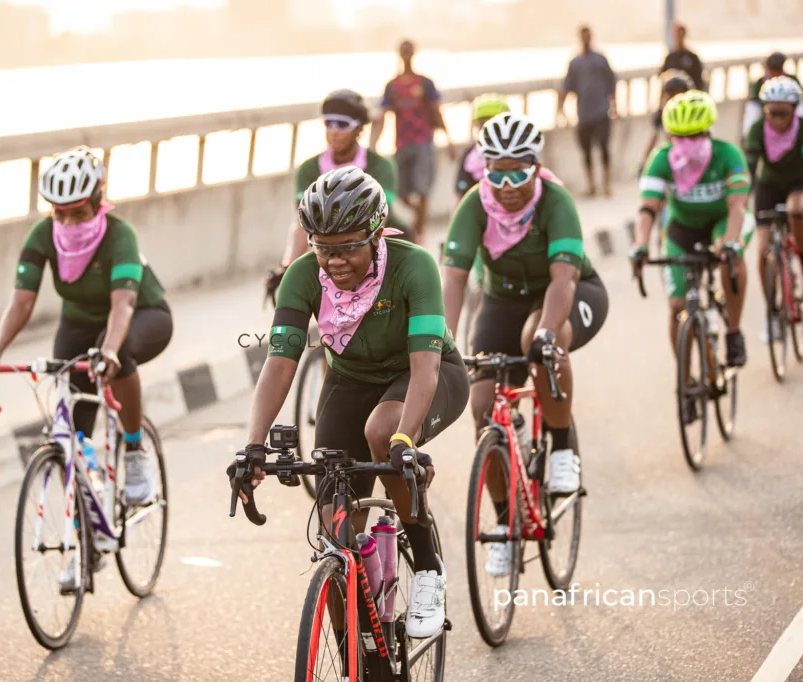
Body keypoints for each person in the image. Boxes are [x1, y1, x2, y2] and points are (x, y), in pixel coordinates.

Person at [232, 166, 468, 637]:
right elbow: (280, 362)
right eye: (323, 248)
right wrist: (253, 446)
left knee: (383, 432)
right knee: (334, 533)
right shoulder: (302, 275)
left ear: (377, 234)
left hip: (424, 374)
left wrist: (405, 439)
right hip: (350, 381)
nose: (334, 260)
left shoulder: (413, 264)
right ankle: (356, 645)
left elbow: (424, 367)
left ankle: (427, 567)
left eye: (347, 247)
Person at [441, 113, 608, 577]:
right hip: (502, 301)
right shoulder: (475, 205)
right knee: (481, 409)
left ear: (537, 167)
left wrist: (547, 333)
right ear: (484, 169)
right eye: (497, 171)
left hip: (568, 293)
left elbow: (564, 279)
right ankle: (502, 527)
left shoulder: (555, 201)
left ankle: (560, 447)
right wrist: (442, 340)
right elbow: (454, 278)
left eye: (519, 171)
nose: (508, 183)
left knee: (539, 342)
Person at [0, 147, 172, 541]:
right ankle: (86, 528)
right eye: (59, 212)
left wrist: (112, 350)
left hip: (143, 317)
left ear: (98, 201)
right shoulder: (44, 235)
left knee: (117, 351)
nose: (68, 221)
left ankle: (133, 451)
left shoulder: (120, 235)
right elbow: (22, 302)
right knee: (74, 435)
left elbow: (124, 303)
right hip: (78, 327)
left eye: (78, 212)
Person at [632, 91, 754, 374]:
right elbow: (648, 209)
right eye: (680, 137)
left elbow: (737, 206)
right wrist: (640, 245)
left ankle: (734, 332)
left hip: (723, 222)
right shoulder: (660, 159)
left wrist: (731, 243)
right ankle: (685, 380)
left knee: (729, 256)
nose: (688, 144)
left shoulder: (728, 155)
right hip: (682, 228)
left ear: (708, 131)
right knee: (677, 307)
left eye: (696, 136)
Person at [265, 89, 408, 298]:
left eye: (342, 124)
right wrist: (287, 267)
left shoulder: (380, 166)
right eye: (328, 123)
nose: (333, 131)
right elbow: (300, 223)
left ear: (359, 128)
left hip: (381, 242)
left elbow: (380, 218)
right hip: (330, 249)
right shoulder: (309, 169)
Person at [371, 39, 457, 245]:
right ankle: (417, 225)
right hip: (401, 144)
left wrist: (449, 141)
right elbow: (382, 116)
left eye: (409, 52)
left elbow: (436, 112)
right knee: (400, 191)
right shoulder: (392, 86)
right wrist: (372, 147)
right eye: (404, 52)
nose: (407, 56)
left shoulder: (425, 83)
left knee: (422, 189)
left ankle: (418, 233)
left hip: (424, 142)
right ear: (400, 55)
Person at [745, 76, 803, 312]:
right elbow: (751, 169)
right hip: (769, 184)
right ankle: (771, 307)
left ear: (794, 111)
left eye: (782, 113)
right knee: (763, 247)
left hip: (797, 182)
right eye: (770, 112)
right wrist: (744, 199)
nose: (775, 119)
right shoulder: (758, 130)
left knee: (797, 210)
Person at [451, 94, 512, 326]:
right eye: (481, 124)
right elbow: (458, 198)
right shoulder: (469, 157)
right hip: (481, 229)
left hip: (512, 227)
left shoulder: (518, 155)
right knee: (478, 284)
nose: (486, 129)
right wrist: (454, 232)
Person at [558, 25, 618, 198]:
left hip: (601, 111)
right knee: (586, 152)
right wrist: (561, 109)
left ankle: (607, 184)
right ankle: (591, 185)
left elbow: (611, 83)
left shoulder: (601, 59)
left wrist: (614, 106)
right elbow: (567, 86)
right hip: (583, 114)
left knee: (604, 148)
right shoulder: (575, 62)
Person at [637, 71, 695, 178]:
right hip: (674, 158)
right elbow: (653, 139)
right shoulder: (663, 112)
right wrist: (643, 164)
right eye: (670, 96)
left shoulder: (693, 111)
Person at [742, 52, 803, 141]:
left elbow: (800, 108)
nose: (774, 74)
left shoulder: (792, 81)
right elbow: (752, 111)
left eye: (777, 70)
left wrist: (801, 130)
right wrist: (748, 134)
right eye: (772, 70)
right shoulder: (759, 84)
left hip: (791, 128)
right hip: (766, 129)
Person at [659, 23, 705, 92]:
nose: (679, 38)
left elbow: (699, 79)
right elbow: (662, 74)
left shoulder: (692, 57)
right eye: (677, 35)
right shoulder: (670, 56)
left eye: (681, 35)